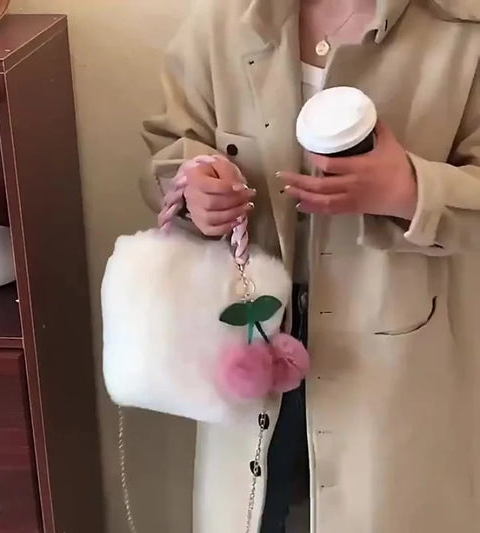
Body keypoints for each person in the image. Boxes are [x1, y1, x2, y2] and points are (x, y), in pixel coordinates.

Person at [140, 1, 480, 532]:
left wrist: (411, 191)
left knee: (380, 508)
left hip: (399, 352)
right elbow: (172, 147)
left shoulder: (464, 33)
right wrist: (195, 193)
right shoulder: (225, 21)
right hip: (250, 337)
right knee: (252, 511)